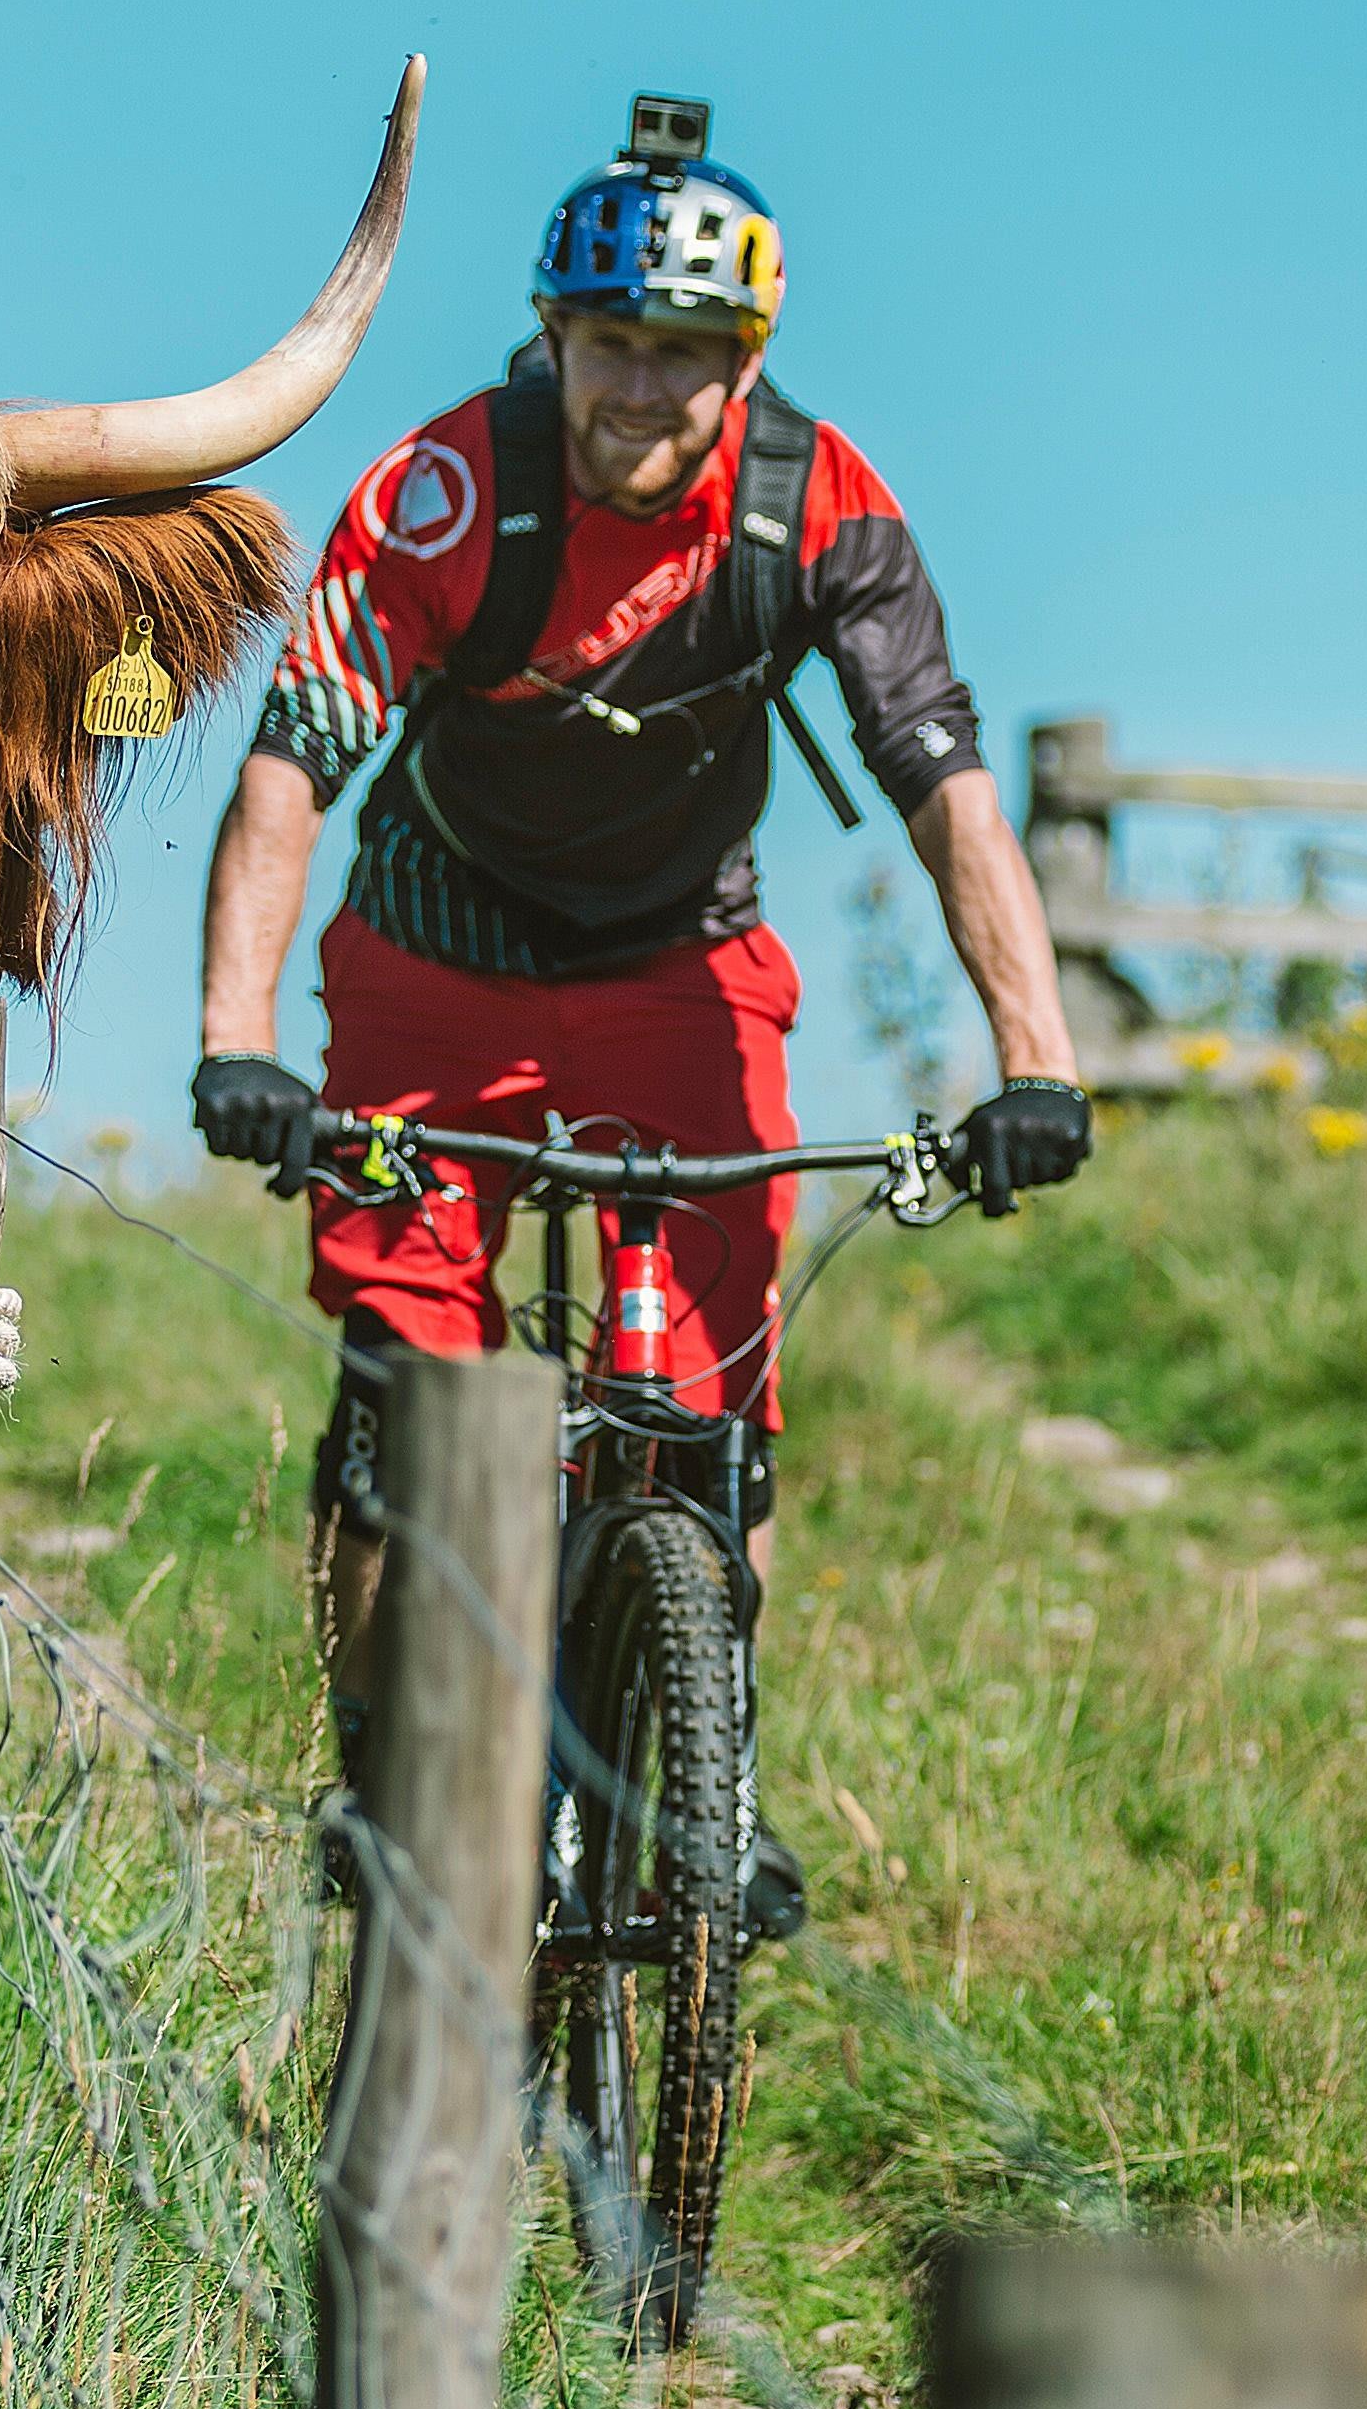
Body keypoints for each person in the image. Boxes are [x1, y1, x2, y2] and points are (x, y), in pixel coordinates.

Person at [187, 93, 1090, 1850]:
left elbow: (948, 789)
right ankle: (380, 1786)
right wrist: (239, 1043)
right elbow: (292, 763)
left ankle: (708, 1771)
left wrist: (1036, 1064)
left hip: (682, 966)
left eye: (686, 355)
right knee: (404, 1400)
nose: (640, 391)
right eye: (611, 343)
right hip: (433, 970)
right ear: (554, 334)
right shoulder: (452, 491)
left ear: (744, 361)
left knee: (712, 1399)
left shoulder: (819, 509)